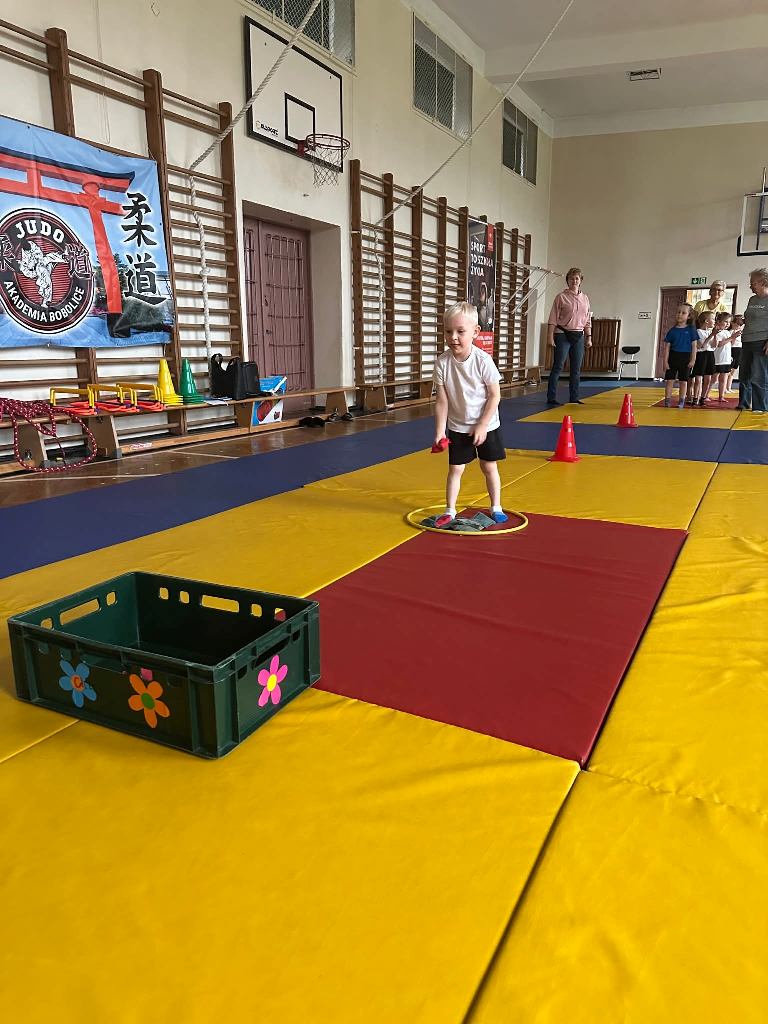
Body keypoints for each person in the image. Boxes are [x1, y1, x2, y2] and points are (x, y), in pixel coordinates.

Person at [433, 302, 507, 526]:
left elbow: (495, 395)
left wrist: (482, 425)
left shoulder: (483, 361)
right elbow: (442, 400)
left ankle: (496, 506)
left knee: (489, 466)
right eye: (448, 331)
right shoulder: (442, 363)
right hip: (458, 425)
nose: (453, 337)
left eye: (460, 331)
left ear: (475, 332)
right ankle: (450, 509)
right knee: (455, 469)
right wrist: (439, 432)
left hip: (487, 424)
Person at [546, 267, 592, 405]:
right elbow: (553, 318)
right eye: (571, 278)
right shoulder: (561, 297)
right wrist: (550, 336)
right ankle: (551, 397)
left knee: (576, 369)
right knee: (558, 366)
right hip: (563, 334)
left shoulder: (585, 298)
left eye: (576, 278)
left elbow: (587, 319)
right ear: (567, 280)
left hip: (579, 335)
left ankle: (574, 397)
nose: (574, 281)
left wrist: (589, 337)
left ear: (580, 281)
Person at [738, 268, 768, 413]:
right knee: (744, 375)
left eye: (753, 283)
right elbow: (752, 318)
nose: (750, 286)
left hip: (761, 341)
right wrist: (742, 321)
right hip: (747, 340)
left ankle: (760, 407)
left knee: (758, 375)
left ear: (763, 282)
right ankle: (743, 404)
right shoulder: (752, 299)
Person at [663, 303, 697, 408]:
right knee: (670, 380)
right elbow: (667, 347)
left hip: (685, 357)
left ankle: (681, 400)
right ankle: (667, 400)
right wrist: (665, 361)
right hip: (673, 357)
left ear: (689, 316)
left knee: (683, 381)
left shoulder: (691, 330)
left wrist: (693, 359)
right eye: (678, 312)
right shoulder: (672, 331)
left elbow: (694, 346)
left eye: (683, 313)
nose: (680, 314)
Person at [690, 311, 716, 406]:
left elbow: (714, 345)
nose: (714, 321)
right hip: (701, 355)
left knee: (708, 378)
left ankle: (703, 398)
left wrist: (714, 335)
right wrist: (711, 335)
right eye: (713, 319)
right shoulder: (698, 332)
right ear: (706, 321)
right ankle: (695, 398)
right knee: (698, 378)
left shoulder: (710, 331)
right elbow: (701, 346)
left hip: (710, 354)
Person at [708, 312, 733, 403]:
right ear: (718, 321)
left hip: (726, 360)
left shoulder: (727, 332)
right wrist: (732, 337)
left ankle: (721, 396)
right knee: (714, 379)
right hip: (718, 360)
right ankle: (706, 394)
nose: (727, 324)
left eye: (729, 322)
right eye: (725, 321)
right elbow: (719, 344)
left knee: (723, 379)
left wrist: (730, 356)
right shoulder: (717, 332)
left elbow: (728, 346)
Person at [726, 315, 744, 394]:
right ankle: (725, 387)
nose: (738, 326)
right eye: (737, 324)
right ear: (732, 323)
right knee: (728, 371)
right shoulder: (730, 332)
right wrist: (734, 336)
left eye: (740, 325)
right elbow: (731, 343)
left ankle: (729, 387)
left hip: (739, 350)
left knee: (733, 371)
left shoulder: (740, 332)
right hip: (732, 350)